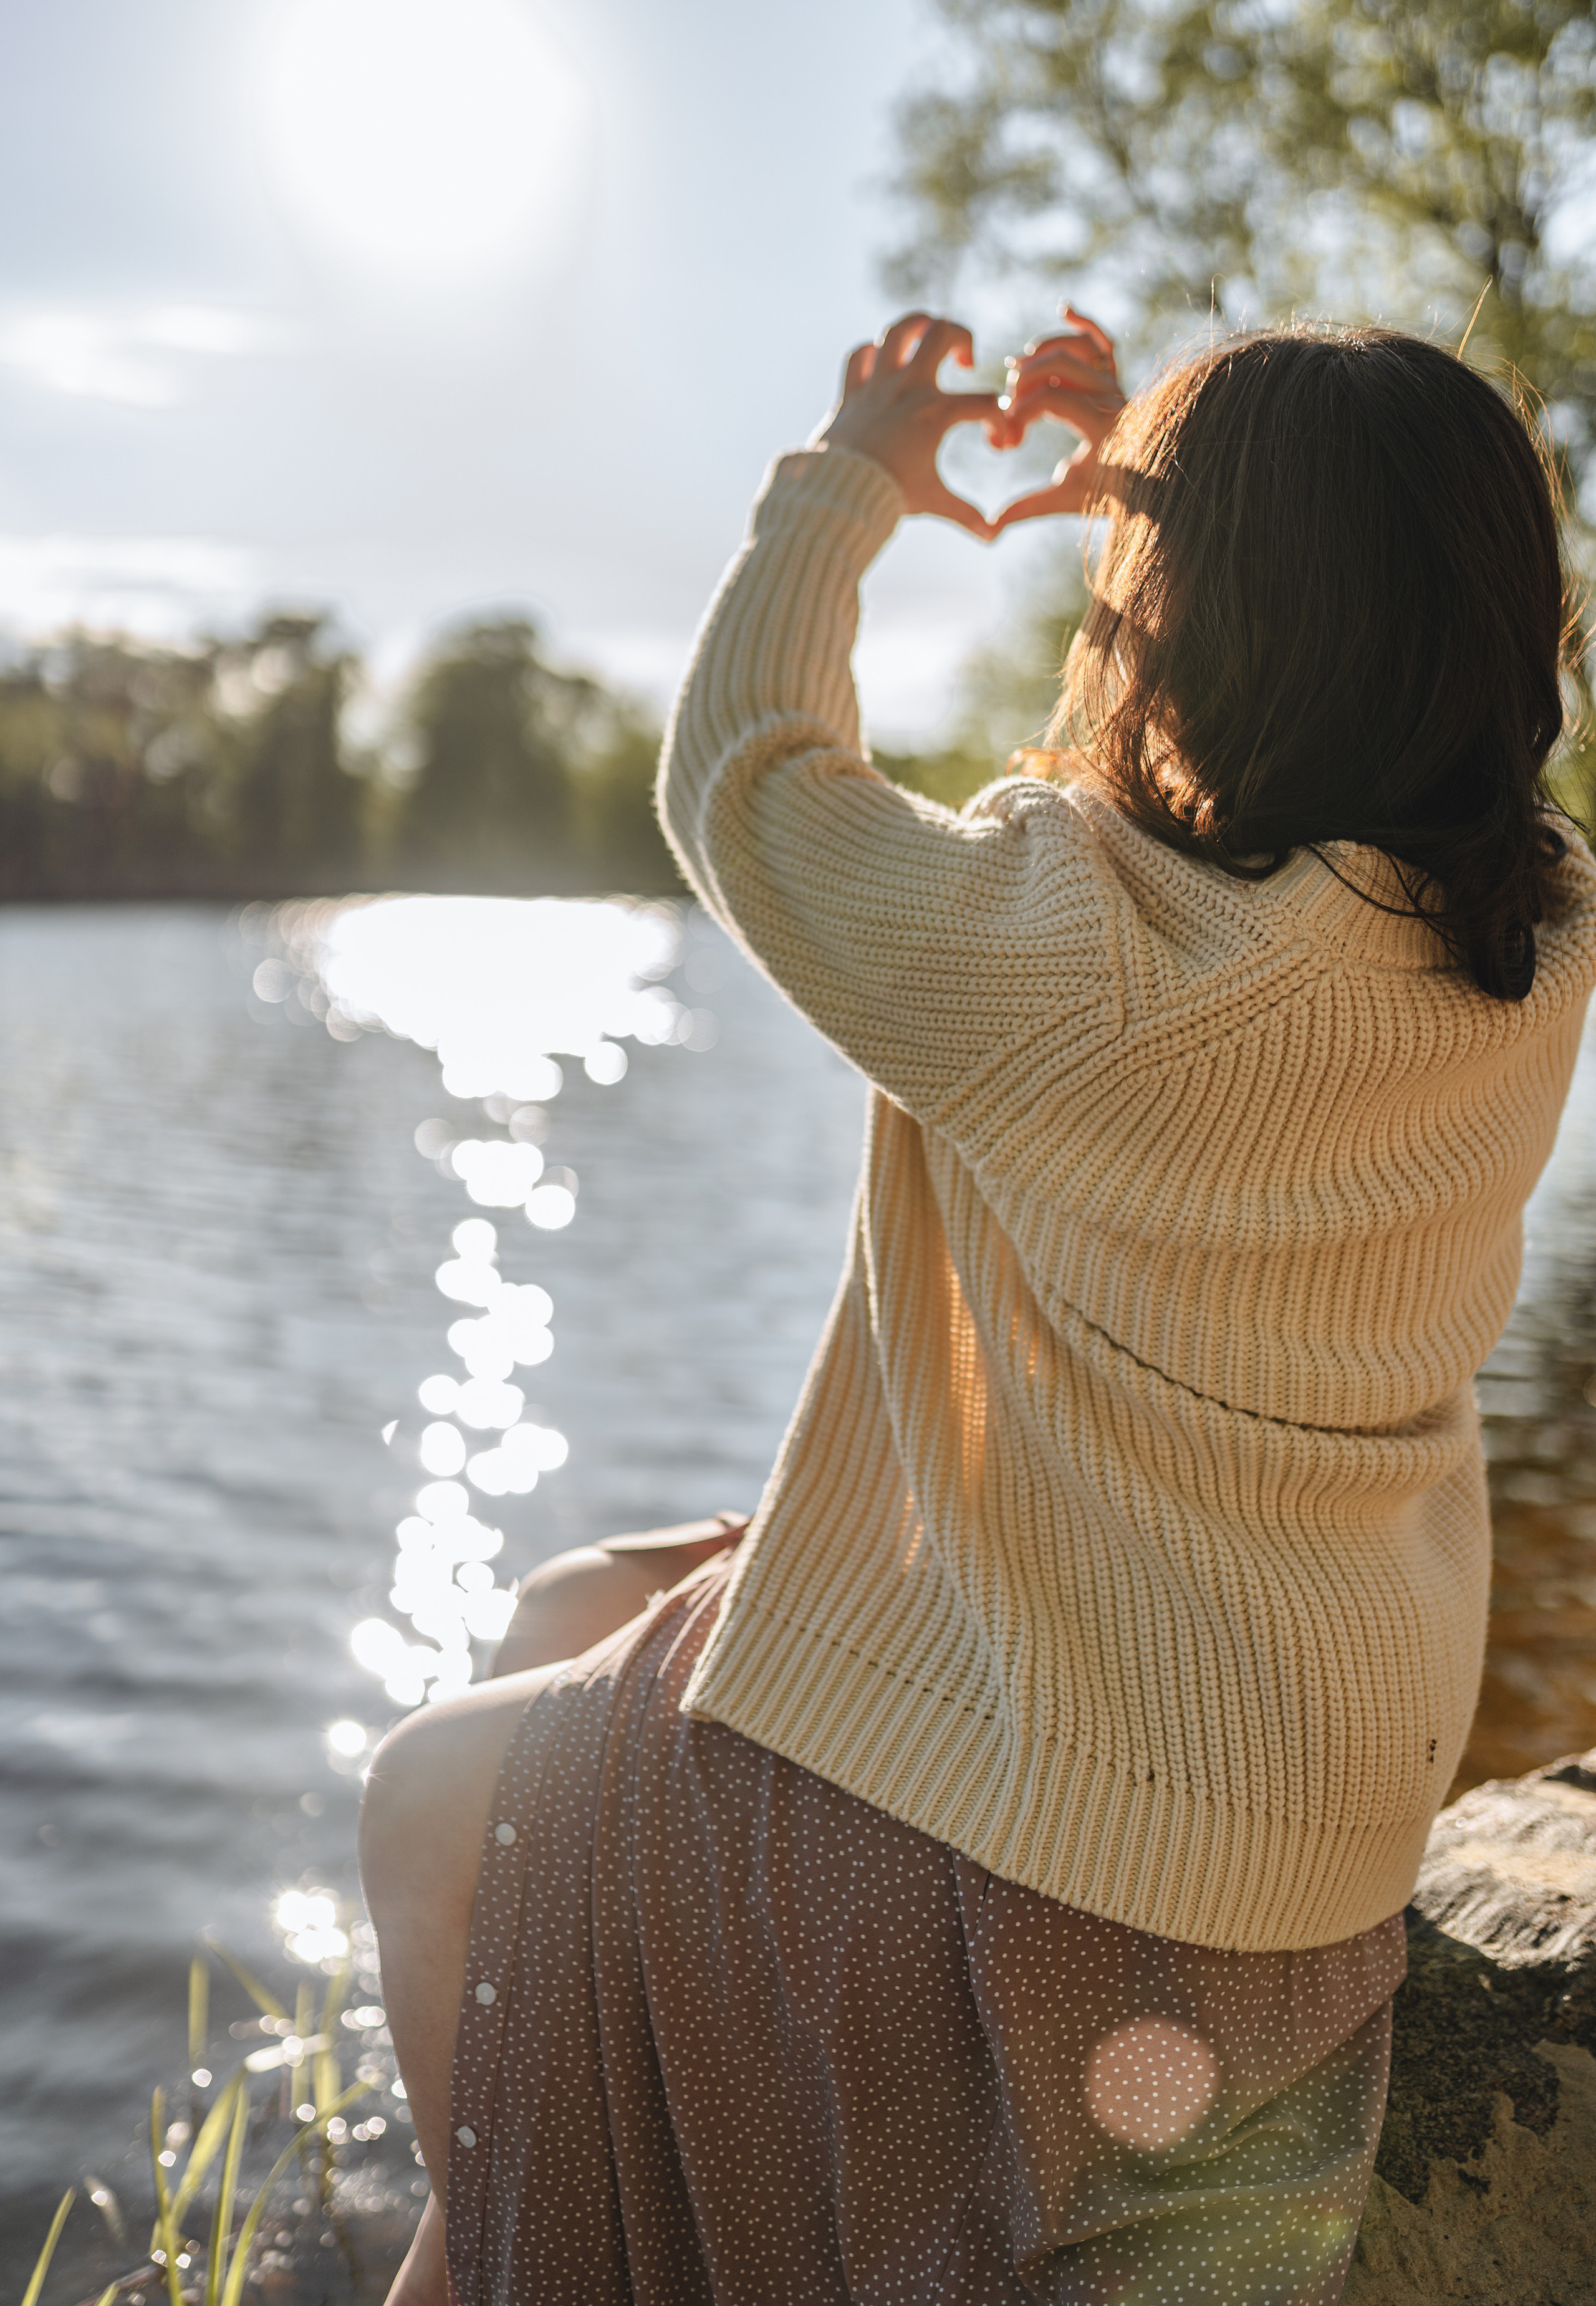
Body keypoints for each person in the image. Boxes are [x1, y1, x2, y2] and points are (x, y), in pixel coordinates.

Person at [360, 310, 1596, 2305]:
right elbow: (1349, 636)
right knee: (574, 1609)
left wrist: (845, 483)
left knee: (427, 1798)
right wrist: (1161, 479)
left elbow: (744, 782)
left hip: (1094, 1858)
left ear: (1186, 621)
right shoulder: (1536, 930)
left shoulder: (1069, 955)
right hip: (1316, 1784)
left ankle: (510, 2254)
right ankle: (527, 2223)